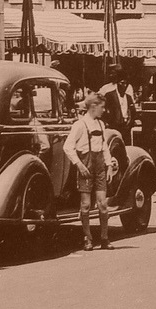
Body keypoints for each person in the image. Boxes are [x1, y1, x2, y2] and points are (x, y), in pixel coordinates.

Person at [63, 92, 118, 251]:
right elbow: (68, 147)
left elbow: (104, 147)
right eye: (102, 107)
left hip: (100, 167)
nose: (104, 110)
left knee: (103, 204)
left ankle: (104, 238)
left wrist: (108, 165)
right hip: (86, 167)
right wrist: (79, 165)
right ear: (93, 107)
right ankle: (87, 238)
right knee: (86, 205)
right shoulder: (79, 125)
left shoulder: (101, 125)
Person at [99, 66, 135, 133]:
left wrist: (129, 122)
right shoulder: (108, 93)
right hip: (114, 126)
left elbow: (132, 111)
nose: (124, 86)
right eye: (122, 83)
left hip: (126, 127)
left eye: (126, 84)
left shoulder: (128, 95)